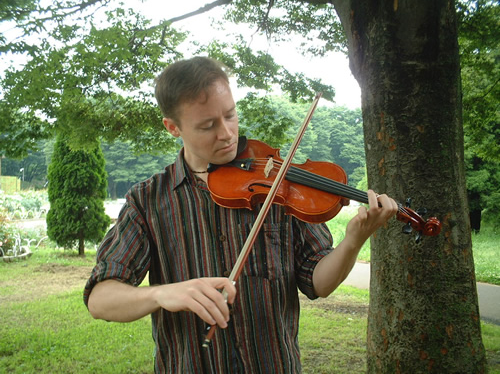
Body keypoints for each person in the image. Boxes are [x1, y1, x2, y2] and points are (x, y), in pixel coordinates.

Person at [84, 56, 398, 373]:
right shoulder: (148, 200)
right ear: (173, 127)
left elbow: (318, 282)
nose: (227, 133)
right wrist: (163, 293)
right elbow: (100, 298)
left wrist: (354, 240)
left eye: (231, 116)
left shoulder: (279, 183)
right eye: (207, 126)